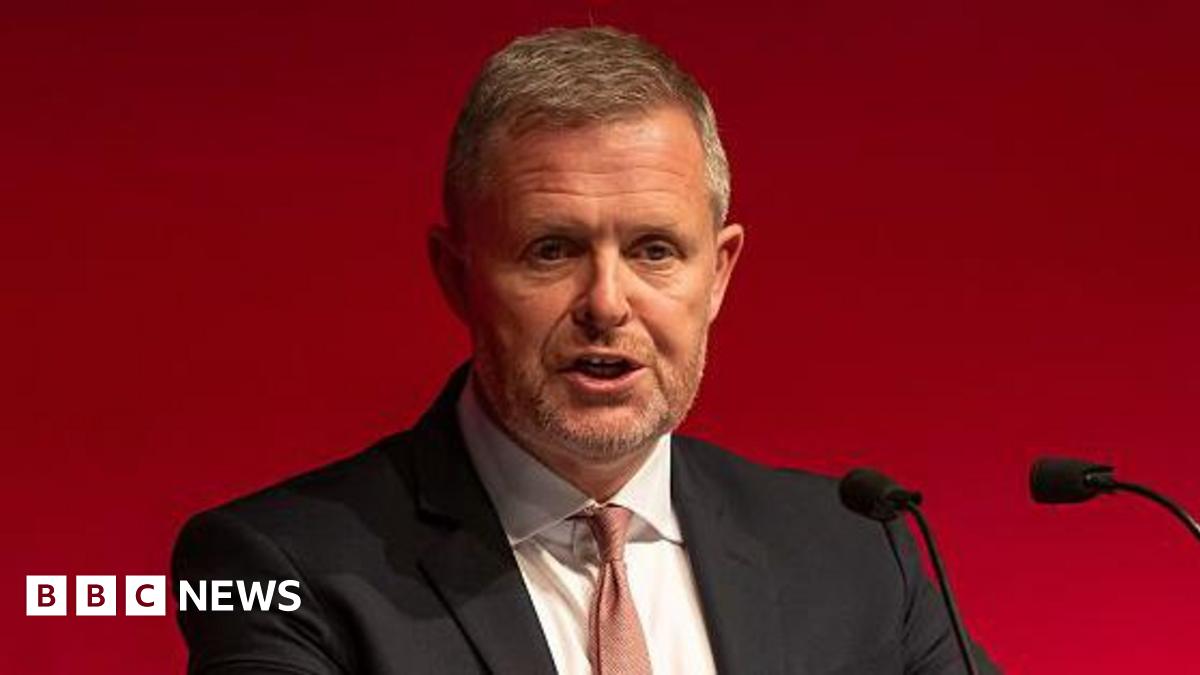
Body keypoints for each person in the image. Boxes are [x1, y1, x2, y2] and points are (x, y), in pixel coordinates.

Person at [173, 26, 996, 674]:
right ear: (457, 276)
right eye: (552, 250)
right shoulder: (278, 565)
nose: (607, 302)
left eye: (654, 250)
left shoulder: (856, 550)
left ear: (718, 274)